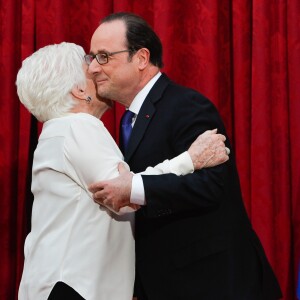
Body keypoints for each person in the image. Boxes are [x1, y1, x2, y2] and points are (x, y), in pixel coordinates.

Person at [87, 12, 283, 299]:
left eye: (103, 57)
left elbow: (212, 185)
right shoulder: (127, 119)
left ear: (141, 58)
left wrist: (134, 189)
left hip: (213, 282)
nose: (93, 68)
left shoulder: (187, 106)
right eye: (91, 57)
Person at [16, 42, 228, 300]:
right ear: (80, 90)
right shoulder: (78, 127)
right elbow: (124, 195)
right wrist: (189, 160)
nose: (98, 71)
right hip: (75, 288)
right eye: (90, 67)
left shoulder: (55, 132)